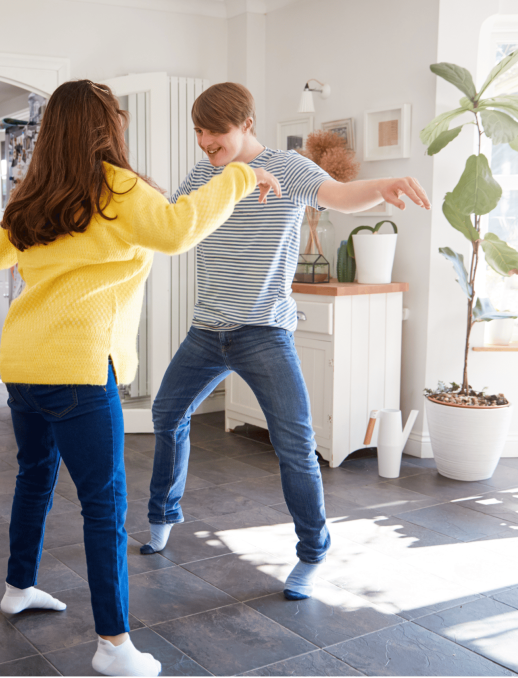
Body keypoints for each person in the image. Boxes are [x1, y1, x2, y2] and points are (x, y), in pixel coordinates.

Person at [0, 79, 281, 678]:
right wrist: (243, 177)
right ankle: (113, 646)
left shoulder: (34, 194)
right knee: (104, 504)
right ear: (105, 125)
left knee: (34, 476)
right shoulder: (116, 187)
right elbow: (176, 231)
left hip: (22, 363)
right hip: (78, 366)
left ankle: (18, 587)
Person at [142, 82, 430, 603]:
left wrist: (381, 184)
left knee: (296, 446)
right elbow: (170, 223)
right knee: (167, 414)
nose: (207, 141)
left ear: (246, 124)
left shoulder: (291, 168)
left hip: (264, 333)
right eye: (200, 131)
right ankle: (164, 515)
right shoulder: (205, 174)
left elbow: (340, 197)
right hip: (207, 329)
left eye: (217, 131)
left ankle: (312, 553)